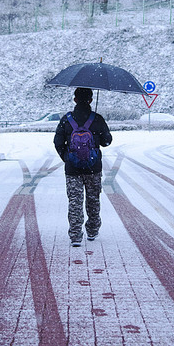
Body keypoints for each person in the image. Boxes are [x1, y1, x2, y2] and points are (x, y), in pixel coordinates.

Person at [54, 87, 112, 246]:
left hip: (72, 169)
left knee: (75, 201)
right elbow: (107, 141)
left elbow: (58, 142)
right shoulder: (97, 119)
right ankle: (92, 231)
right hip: (94, 168)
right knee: (93, 200)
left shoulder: (67, 119)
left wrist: (67, 158)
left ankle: (75, 236)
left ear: (75, 100)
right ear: (91, 100)